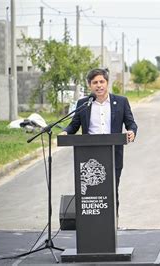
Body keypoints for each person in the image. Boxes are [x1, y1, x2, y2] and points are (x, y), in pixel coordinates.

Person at [60, 68, 138, 220]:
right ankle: (92, 225)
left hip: (113, 155)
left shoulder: (121, 102)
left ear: (107, 83)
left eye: (102, 81)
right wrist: (65, 132)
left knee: (112, 190)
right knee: (91, 193)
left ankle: (112, 223)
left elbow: (131, 123)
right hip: (89, 157)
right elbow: (74, 125)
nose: (99, 85)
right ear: (90, 85)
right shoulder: (83, 104)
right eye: (95, 82)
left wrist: (131, 131)